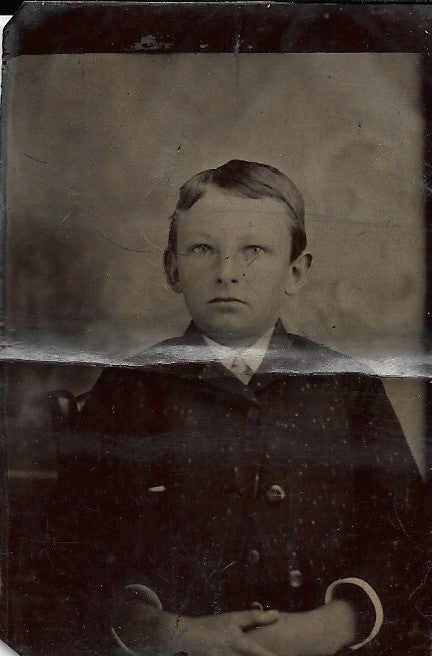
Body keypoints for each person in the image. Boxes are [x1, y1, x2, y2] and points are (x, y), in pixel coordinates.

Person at [50, 160, 427, 656]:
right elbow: (66, 552)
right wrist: (161, 630)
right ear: (173, 268)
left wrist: (334, 623)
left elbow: (411, 541)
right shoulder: (128, 389)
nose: (227, 273)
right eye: (203, 249)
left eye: (253, 250)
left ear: (295, 271)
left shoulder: (348, 386)